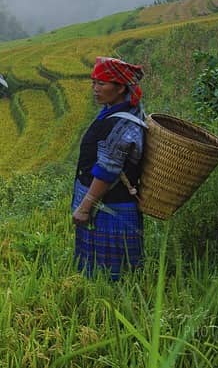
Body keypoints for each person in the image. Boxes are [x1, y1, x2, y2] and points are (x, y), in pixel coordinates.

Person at [71, 57, 147, 279]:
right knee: (104, 276)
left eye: (101, 84)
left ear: (121, 87)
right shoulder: (118, 111)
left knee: (110, 278)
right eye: (93, 82)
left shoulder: (120, 123)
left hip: (110, 209)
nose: (95, 89)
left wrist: (85, 207)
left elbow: (108, 169)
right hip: (107, 206)